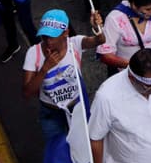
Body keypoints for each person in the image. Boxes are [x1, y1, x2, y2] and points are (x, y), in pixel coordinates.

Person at [21, 8, 104, 142]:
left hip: (77, 108)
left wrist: (97, 27)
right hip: (51, 113)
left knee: (83, 147)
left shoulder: (75, 43)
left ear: (66, 33)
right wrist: (45, 68)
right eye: (44, 36)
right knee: (58, 155)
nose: (48, 41)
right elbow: (27, 92)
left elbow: (99, 40)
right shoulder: (33, 53)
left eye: (52, 36)